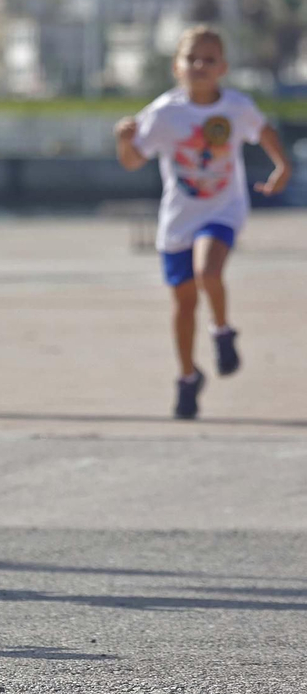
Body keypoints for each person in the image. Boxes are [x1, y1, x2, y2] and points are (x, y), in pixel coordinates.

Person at [114, 25, 290, 420]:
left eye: (209, 59)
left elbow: (263, 131)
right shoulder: (164, 113)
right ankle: (188, 376)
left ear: (223, 67)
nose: (200, 65)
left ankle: (223, 331)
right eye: (192, 59)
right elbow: (133, 161)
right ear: (177, 67)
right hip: (179, 217)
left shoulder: (236, 107)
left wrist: (282, 165)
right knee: (183, 304)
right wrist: (124, 140)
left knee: (208, 270)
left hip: (222, 210)